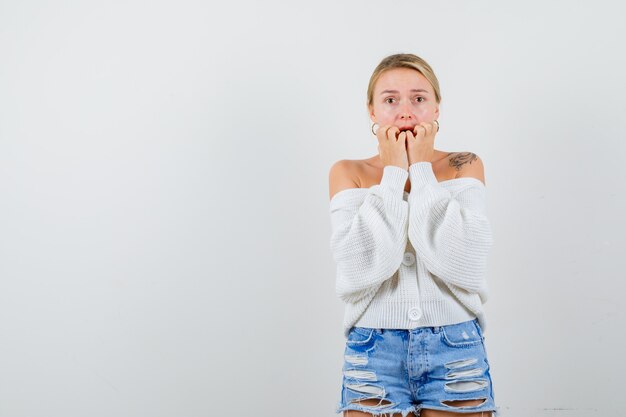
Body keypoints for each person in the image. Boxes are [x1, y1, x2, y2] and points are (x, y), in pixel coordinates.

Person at [328, 53, 499, 417]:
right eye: (390, 100)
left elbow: (462, 264)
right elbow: (359, 271)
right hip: (373, 349)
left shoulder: (464, 164)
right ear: (372, 112)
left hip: (456, 347)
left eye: (419, 99)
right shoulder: (348, 172)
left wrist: (420, 169)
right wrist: (393, 173)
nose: (406, 112)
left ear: (436, 108)